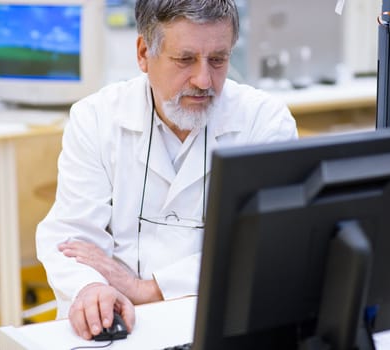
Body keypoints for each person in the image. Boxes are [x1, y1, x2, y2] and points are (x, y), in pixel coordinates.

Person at [36, 0, 298, 341]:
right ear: (144, 53)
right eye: (185, 59)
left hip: (218, 321)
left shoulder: (264, 121)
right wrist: (90, 288)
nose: (204, 80)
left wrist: (144, 289)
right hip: (122, 323)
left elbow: (265, 247)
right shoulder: (97, 118)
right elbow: (73, 238)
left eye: (218, 60)